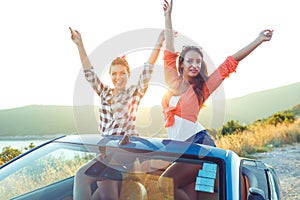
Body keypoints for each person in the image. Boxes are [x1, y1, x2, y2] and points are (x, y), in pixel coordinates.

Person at [158, 0, 273, 199]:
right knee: (196, 193)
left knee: (167, 183)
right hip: (181, 149)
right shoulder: (171, 81)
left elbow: (229, 63)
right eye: (190, 61)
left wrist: (259, 39)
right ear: (182, 64)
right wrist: (167, 17)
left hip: (200, 145)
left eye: (198, 61)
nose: (194, 65)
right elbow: (169, 47)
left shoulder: (202, 88)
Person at [69, 27, 165, 200]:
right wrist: (79, 44)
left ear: (128, 74)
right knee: (105, 196)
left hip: (122, 151)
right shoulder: (105, 92)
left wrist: (159, 43)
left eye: (122, 73)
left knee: (81, 176)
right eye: (114, 74)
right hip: (106, 150)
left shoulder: (133, 93)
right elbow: (89, 73)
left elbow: (148, 69)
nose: (117, 77)